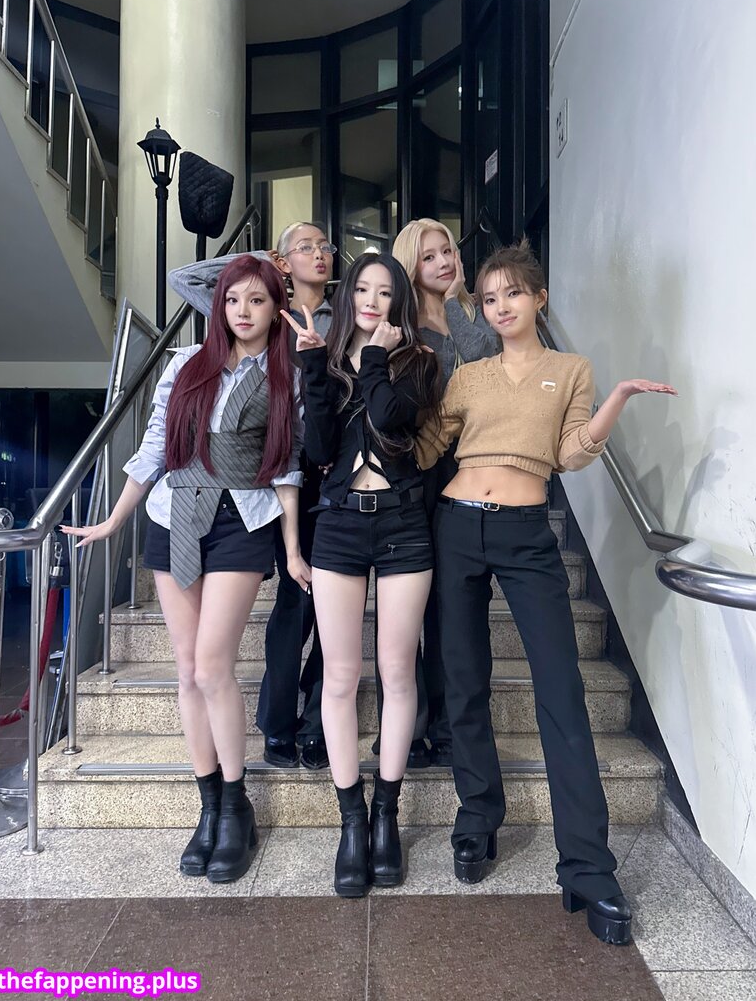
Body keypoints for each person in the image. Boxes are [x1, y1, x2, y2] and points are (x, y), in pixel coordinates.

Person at [416, 240, 676, 944]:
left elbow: (568, 453)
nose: (500, 306)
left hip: (526, 533)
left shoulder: (571, 370)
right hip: (456, 525)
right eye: (489, 298)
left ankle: (588, 868)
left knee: (561, 690)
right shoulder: (468, 375)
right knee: (463, 679)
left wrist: (616, 401)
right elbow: (427, 446)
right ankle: (478, 819)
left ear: (539, 299)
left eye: (512, 294)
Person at [63, 254, 308, 884]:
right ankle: (209, 806)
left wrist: (292, 549)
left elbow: (286, 469)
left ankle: (237, 804)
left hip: (241, 522)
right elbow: (153, 449)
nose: (243, 312)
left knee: (210, 665)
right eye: (233, 299)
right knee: (186, 670)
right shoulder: (186, 365)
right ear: (217, 305)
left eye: (258, 300)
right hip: (174, 515)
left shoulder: (285, 375)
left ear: (275, 309)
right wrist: (113, 521)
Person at [283, 252, 441, 897]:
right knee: (341, 676)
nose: (373, 301)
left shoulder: (420, 362)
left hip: (404, 524)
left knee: (398, 673)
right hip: (340, 526)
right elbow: (319, 450)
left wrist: (374, 355)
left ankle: (386, 815)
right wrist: (314, 369)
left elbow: (393, 418)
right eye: (363, 291)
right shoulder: (325, 363)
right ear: (347, 297)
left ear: (399, 303)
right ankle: (351, 819)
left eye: (385, 292)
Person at [170, 224, 335, 771]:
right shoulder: (253, 306)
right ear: (283, 260)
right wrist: (257, 264)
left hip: (322, 471)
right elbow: (188, 280)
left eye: (326, 247)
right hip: (269, 479)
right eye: (306, 247)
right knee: (292, 603)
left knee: (327, 606)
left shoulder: (340, 316)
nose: (320, 254)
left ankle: (316, 723)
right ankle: (277, 721)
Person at [391, 218, 499, 766]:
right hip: (419, 468)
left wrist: (456, 301)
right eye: (428, 255)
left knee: (455, 602)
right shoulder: (401, 324)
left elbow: (484, 360)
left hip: (471, 466)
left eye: (448, 251)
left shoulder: (472, 316)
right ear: (410, 264)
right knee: (413, 600)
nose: (442, 262)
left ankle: (452, 728)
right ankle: (409, 727)